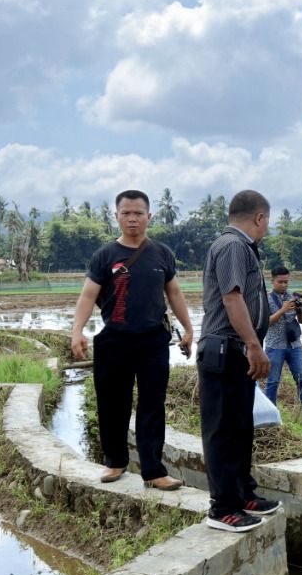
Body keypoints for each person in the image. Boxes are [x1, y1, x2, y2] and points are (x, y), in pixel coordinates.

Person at [71, 189, 192, 491]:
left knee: (152, 405)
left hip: (152, 340)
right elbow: (88, 294)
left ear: (149, 217)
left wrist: (188, 328)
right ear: (117, 217)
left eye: (138, 213)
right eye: (126, 213)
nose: (132, 218)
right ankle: (115, 462)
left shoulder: (161, 253)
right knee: (113, 404)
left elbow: (174, 292)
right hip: (114, 340)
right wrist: (77, 331)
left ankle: (153, 470)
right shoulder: (105, 255)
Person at [196, 190, 279, 532]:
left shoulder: (243, 247)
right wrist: (253, 346)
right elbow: (232, 299)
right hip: (225, 350)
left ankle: (243, 494)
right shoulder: (232, 245)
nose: (266, 227)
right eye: (267, 221)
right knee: (222, 431)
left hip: (237, 352)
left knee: (241, 427)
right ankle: (222, 508)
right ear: (259, 218)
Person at [264, 265, 302, 410]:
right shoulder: (266, 298)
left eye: (286, 282)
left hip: (294, 345)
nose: (284, 285)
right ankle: (271, 412)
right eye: (280, 282)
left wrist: (299, 310)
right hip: (275, 345)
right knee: (272, 381)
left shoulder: (293, 297)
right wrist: (282, 309)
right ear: (272, 281)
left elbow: (301, 321)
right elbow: (266, 322)